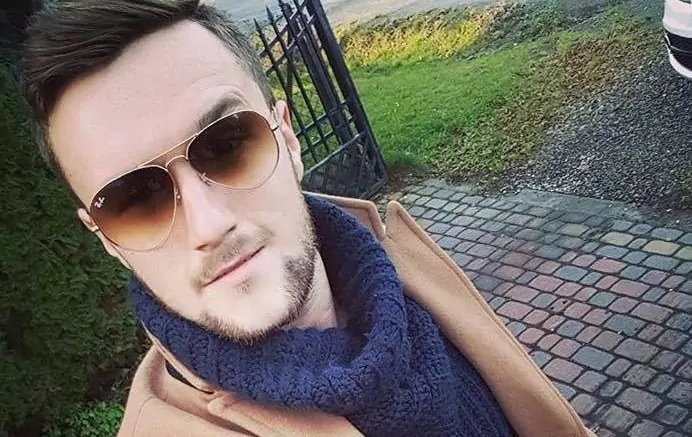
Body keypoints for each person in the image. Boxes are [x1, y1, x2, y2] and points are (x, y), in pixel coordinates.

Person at [22, 1, 595, 436]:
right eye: (134, 200)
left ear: (288, 139)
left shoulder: (401, 270)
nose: (208, 225)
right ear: (106, 241)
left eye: (226, 144)